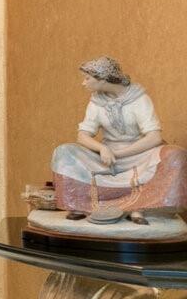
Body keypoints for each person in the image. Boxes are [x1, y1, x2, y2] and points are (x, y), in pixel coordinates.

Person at [52, 56, 187, 224]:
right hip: (107, 159)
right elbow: (83, 135)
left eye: (87, 78)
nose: (83, 83)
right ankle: (81, 205)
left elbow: (154, 137)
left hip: (141, 156)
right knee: (64, 151)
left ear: (102, 79)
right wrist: (102, 149)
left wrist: (118, 153)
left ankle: (140, 206)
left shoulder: (139, 99)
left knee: (176, 154)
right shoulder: (97, 102)